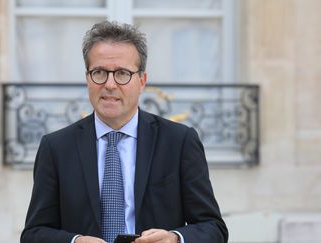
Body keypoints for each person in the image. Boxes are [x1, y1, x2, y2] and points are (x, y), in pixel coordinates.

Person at [21, 21, 228, 243]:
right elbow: (34, 234)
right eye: (99, 72)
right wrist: (75, 241)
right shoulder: (56, 147)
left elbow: (213, 228)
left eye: (122, 73)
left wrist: (175, 239)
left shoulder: (179, 142)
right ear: (87, 78)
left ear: (142, 81)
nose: (110, 84)